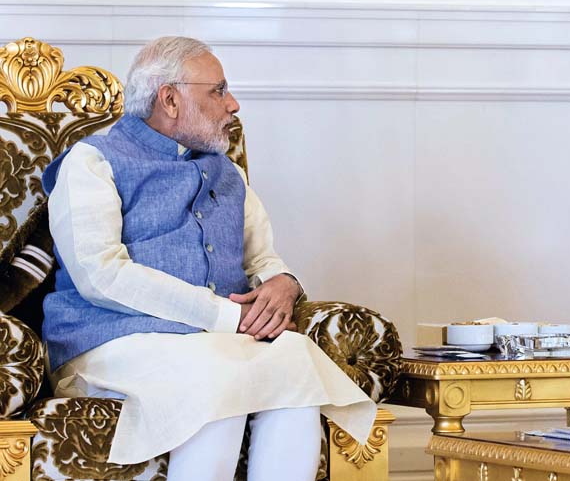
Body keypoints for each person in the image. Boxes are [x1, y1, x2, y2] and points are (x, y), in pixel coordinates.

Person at [41, 36, 376, 481]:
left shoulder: (228, 172)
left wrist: (284, 283)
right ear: (170, 99)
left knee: (294, 365)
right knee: (219, 378)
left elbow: (264, 260)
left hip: (217, 343)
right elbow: (100, 274)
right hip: (109, 341)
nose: (233, 105)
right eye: (218, 91)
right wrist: (225, 317)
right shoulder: (92, 162)